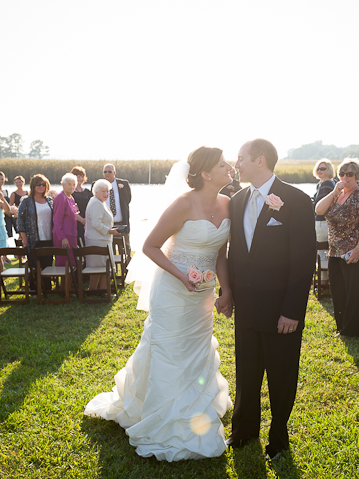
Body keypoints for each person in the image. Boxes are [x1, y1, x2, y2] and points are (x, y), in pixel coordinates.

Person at [85, 147, 233, 461]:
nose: (229, 167)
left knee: (196, 351)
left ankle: (194, 404)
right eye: (223, 164)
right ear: (206, 173)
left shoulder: (227, 203)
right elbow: (150, 246)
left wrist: (226, 291)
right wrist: (181, 275)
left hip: (203, 294)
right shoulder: (183, 203)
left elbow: (221, 254)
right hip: (174, 291)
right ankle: (163, 416)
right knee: (168, 351)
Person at [226, 139, 315, 460]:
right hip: (247, 308)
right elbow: (236, 253)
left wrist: (292, 311)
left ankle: (278, 438)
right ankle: (243, 431)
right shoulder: (236, 200)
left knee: (281, 375)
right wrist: (230, 294)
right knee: (246, 372)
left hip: (281, 311)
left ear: (260, 160)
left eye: (241, 159)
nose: (236, 164)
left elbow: (304, 261)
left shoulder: (295, 199)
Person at [315, 158, 359, 338]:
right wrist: (334, 190)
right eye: (342, 174)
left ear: (356, 176)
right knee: (338, 291)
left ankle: (351, 331)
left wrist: (358, 248)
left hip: (356, 250)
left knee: (352, 292)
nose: (345, 177)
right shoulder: (336, 194)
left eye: (349, 174)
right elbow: (318, 210)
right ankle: (341, 327)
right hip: (335, 250)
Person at [16, 174, 53, 290]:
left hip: (49, 237)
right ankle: (34, 289)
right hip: (33, 238)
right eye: (38, 184)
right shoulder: (26, 201)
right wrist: (24, 238)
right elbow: (19, 220)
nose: (41, 187)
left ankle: (47, 288)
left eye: (43, 184)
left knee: (48, 263)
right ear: (33, 186)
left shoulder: (49, 200)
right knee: (34, 264)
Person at [84, 179, 121, 291]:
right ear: (95, 192)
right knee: (103, 266)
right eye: (103, 191)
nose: (106, 194)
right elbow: (96, 223)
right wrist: (110, 231)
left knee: (99, 266)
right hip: (98, 240)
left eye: (107, 191)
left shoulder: (98, 201)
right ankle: (103, 291)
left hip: (100, 239)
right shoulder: (96, 203)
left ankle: (95, 289)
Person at [312, 159, 335, 285]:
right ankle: (325, 278)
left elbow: (319, 207)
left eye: (323, 168)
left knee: (321, 250)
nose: (320, 171)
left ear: (329, 170)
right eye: (318, 168)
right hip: (325, 222)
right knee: (325, 251)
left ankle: (323, 280)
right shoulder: (323, 183)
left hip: (322, 222)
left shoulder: (326, 184)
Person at [100, 164, 131, 252]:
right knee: (109, 253)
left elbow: (128, 200)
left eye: (109, 171)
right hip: (107, 226)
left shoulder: (124, 184)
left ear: (114, 173)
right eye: (105, 172)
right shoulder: (98, 185)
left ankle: (126, 266)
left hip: (122, 225)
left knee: (125, 251)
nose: (107, 174)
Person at [52, 173, 80, 267]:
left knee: (72, 262)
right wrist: (62, 238)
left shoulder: (71, 198)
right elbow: (57, 219)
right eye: (69, 184)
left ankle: (71, 281)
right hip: (63, 236)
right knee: (64, 263)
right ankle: (64, 282)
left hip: (71, 234)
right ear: (63, 184)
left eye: (73, 184)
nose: (72, 186)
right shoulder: (61, 197)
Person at [70, 166, 92, 241]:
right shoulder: (70, 193)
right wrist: (82, 220)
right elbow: (71, 210)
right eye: (78, 177)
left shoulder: (88, 192)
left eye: (82, 176)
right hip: (76, 223)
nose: (80, 179)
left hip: (88, 222)